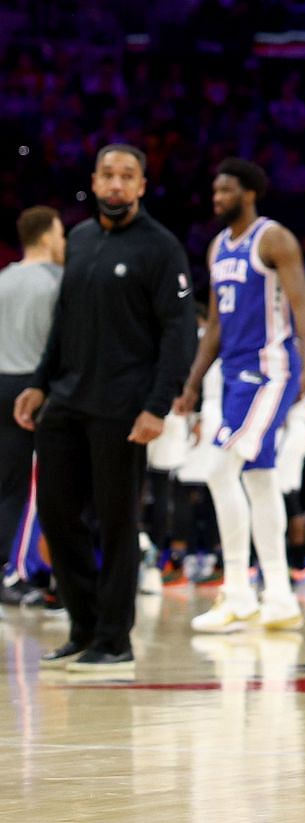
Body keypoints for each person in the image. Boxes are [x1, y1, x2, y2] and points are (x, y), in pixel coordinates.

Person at [14, 145, 196, 672]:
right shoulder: (81, 239)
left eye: (127, 176)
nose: (116, 185)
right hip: (67, 401)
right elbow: (64, 321)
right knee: (55, 513)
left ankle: (114, 639)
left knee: (117, 524)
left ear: (142, 186)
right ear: (94, 182)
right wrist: (40, 384)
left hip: (124, 407)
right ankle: (84, 625)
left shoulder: (161, 248)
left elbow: (178, 333)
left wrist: (157, 405)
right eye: (108, 175)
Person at [177, 159, 305, 636]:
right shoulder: (218, 247)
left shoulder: (273, 238)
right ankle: (279, 596)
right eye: (214, 190)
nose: (216, 198)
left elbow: (303, 306)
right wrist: (195, 381)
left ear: (249, 193)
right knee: (259, 480)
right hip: (236, 376)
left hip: (272, 371)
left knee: (220, 468)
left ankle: (238, 591)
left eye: (225, 190)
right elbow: (217, 324)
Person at [0, 207, 64, 596]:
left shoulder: (3, 278)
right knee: (36, 487)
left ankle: (6, 568)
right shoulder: (57, 281)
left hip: (1, 382)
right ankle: (19, 571)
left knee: (8, 486)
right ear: (45, 237)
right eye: (60, 235)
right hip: (35, 388)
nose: (63, 243)